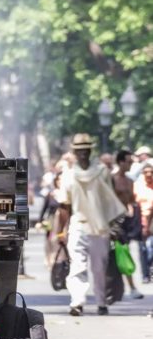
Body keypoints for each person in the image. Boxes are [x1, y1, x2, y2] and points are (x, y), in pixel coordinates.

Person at [56, 133, 125, 316]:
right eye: (79, 150)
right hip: (78, 224)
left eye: (86, 150)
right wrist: (61, 231)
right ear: (74, 152)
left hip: (100, 227)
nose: (83, 153)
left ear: (90, 150)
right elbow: (65, 205)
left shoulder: (102, 171)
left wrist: (113, 225)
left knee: (99, 268)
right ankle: (76, 302)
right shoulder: (69, 175)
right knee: (77, 266)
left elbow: (110, 200)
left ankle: (101, 302)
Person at [112, 150, 143, 298]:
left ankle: (126, 287)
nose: (131, 164)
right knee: (119, 253)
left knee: (123, 252)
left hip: (126, 221)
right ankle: (127, 287)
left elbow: (131, 201)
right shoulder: (112, 179)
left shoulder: (130, 181)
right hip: (113, 221)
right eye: (128, 161)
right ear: (120, 162)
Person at [135, 162, 153, 283]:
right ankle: (145, 274)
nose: (149, 174)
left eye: (151, 172)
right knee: (142, 248)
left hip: (152, 219)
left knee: (151, 247)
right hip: (140, 219)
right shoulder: (137, 186)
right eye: (146, 172)